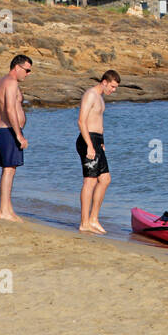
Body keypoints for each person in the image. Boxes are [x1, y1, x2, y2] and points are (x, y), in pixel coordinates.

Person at [75, 69, 120, 233]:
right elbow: (81, 121)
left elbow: (98, 121)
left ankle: (93, 219)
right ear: (105, 82)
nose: (113, 91)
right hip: (88, 141)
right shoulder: (91, 95)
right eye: (112, 87)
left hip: (97, 141)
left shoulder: (100, 98)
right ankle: (84, 222)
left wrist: (101, 143)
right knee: (90, 181)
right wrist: (89, 145)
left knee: (105, 179)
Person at [0, 54, 32, 222]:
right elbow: (9, 109)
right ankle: (4, 210)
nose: (28, 74)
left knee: (8, 169)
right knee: (9, 170)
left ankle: (7, 208)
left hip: (2, 129)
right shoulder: (11, 82)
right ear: (17, 67)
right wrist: (18, 134)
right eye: (27, 70)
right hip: (9, 130)